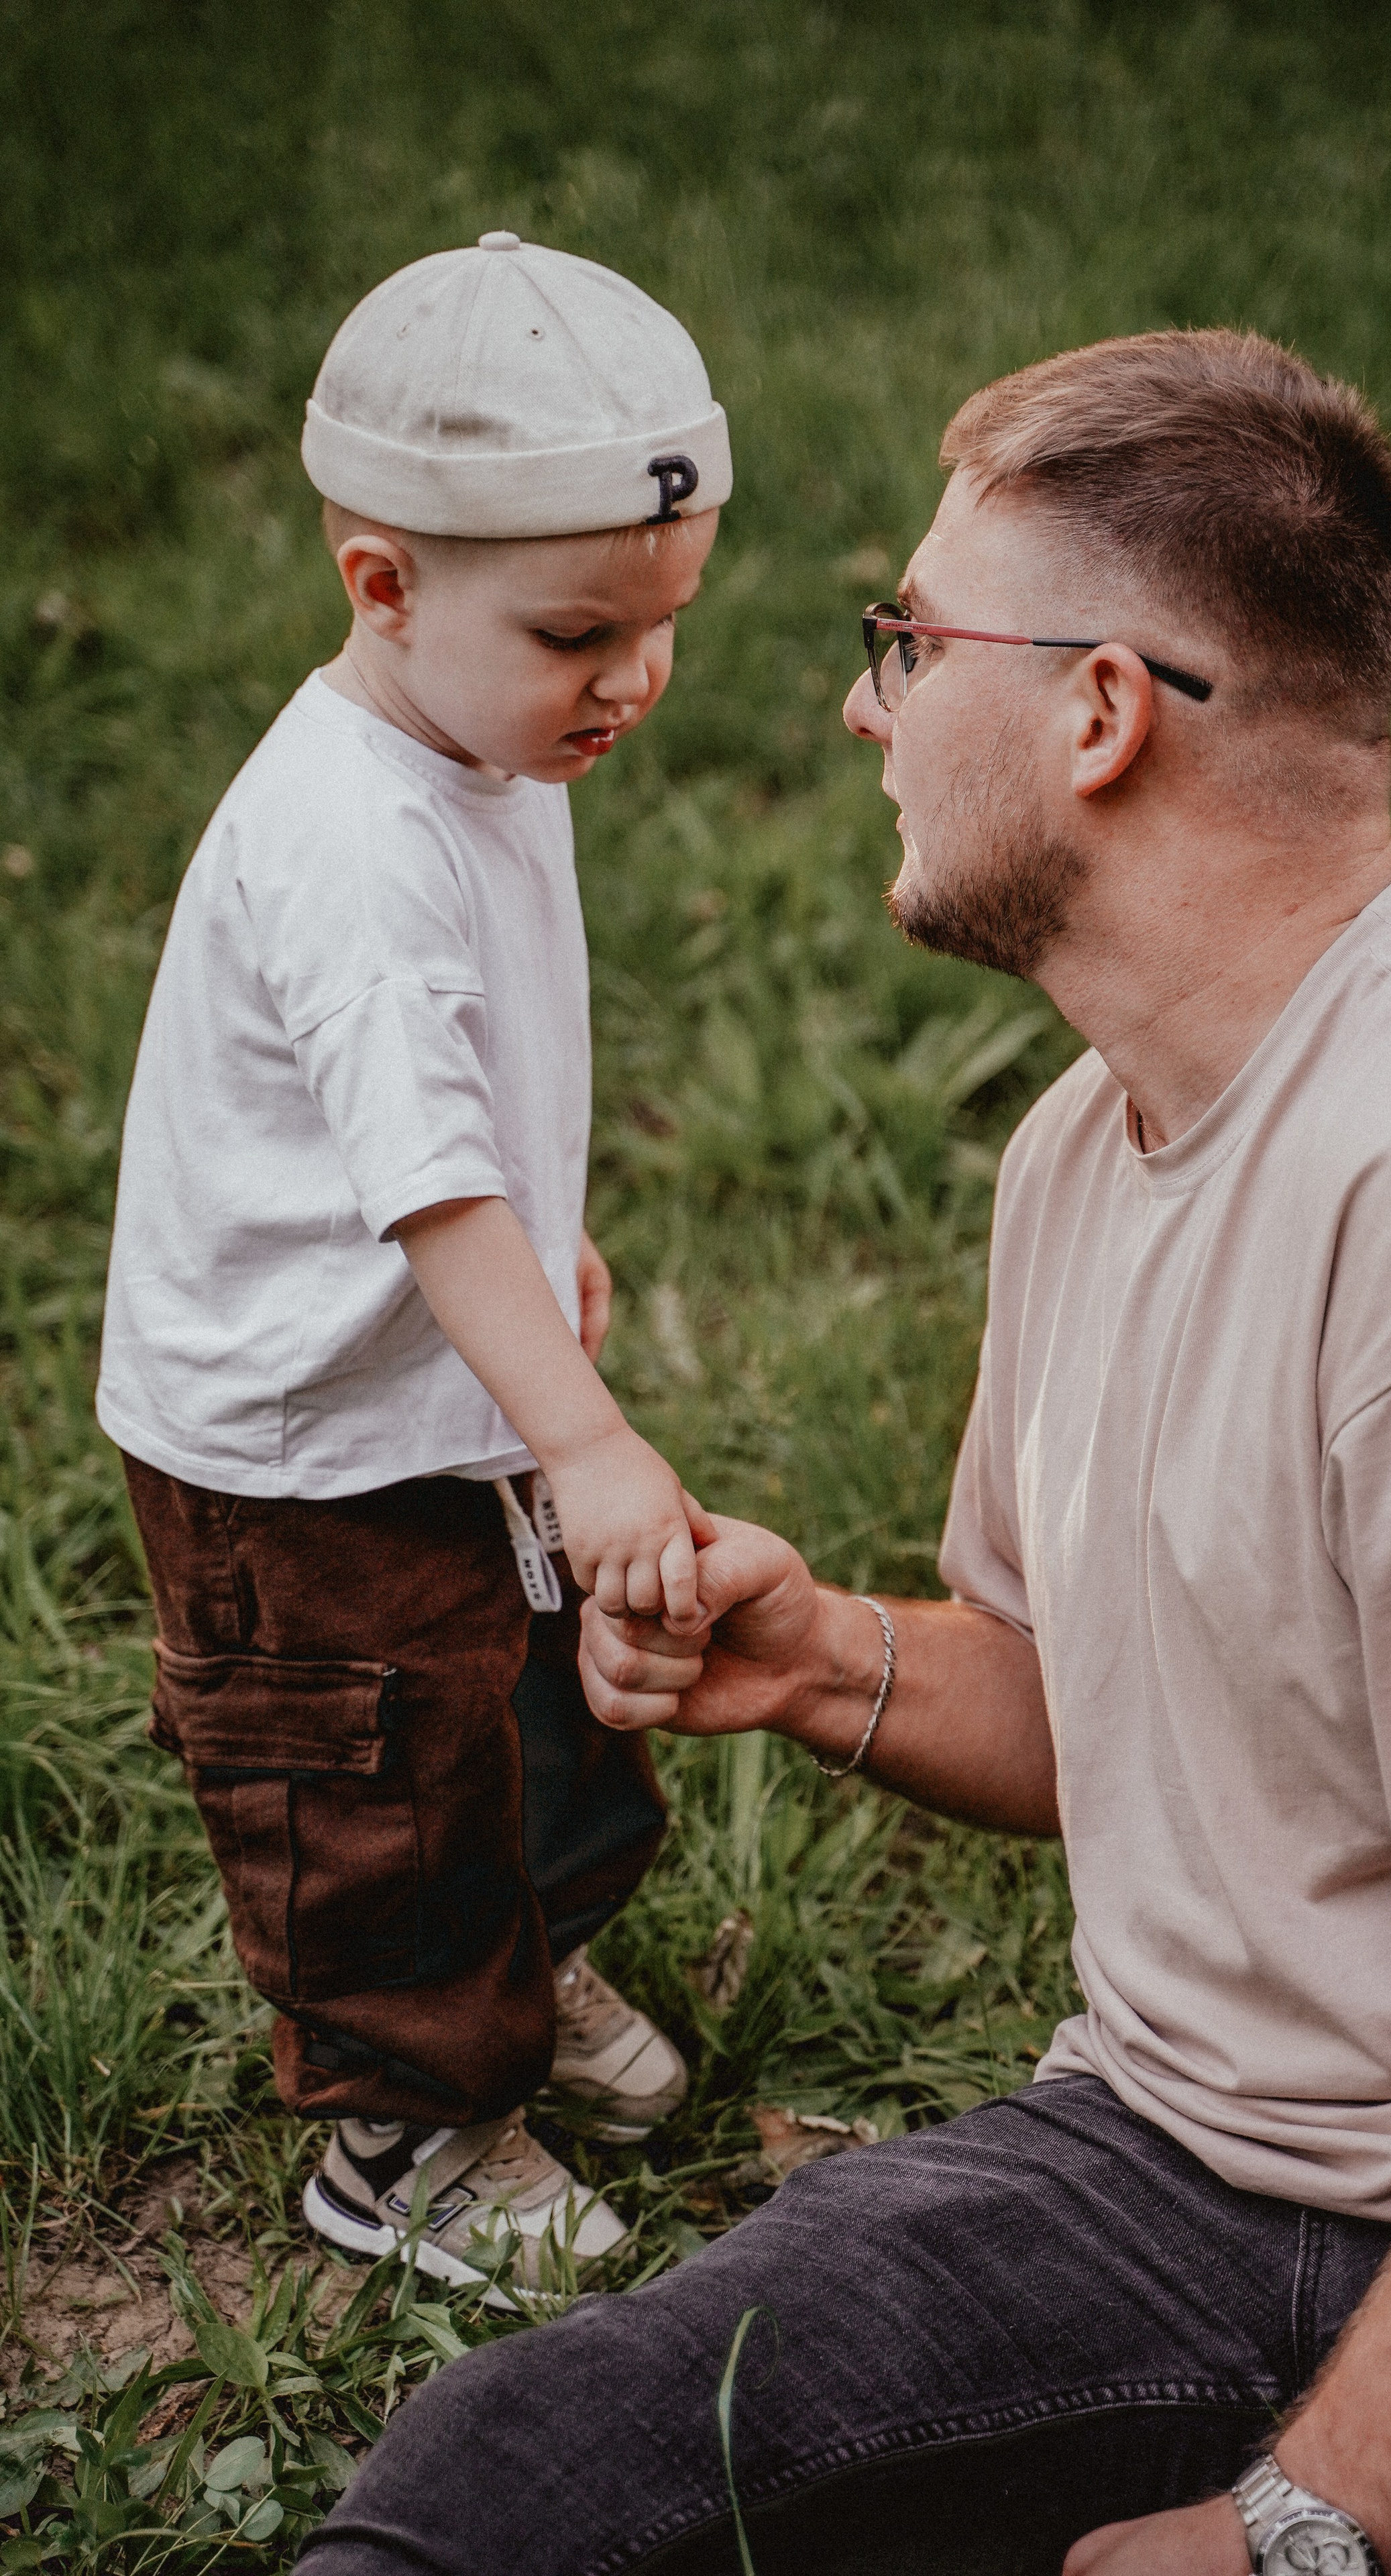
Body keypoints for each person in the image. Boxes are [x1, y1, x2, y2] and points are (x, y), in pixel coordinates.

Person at [300, 331, 1391, 2574]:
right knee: (500, 2491)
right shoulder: (1086, 1140)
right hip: (1179, 2164)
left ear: (1099, 712)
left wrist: (1309, 2511)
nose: (860, 712)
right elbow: (1120, 1714)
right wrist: (821, 1660)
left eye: (909, 643)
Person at [97, 233, 733, 2294]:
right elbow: (427, 1183)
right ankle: (408, 2124)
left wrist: (554, 1249)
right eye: (579, 634)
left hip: (439, 1382)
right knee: (371, 1769)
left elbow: (466, 1111)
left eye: (663, 623)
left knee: (521, 1720)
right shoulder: (353, 846)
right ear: (382, 584)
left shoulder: (491, 736)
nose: (631, 681)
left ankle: (516, 1972)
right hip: (301, 1438)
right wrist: (589, 1431)